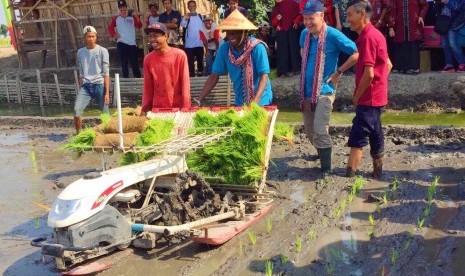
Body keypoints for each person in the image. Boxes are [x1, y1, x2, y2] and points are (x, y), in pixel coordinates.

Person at [299, 0, 359, 173]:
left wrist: (338, 72)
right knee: (310, 131)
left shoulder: (333, 35)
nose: (308, 22)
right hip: (306, 90)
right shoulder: (304, 34)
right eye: (305, 18)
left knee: (320, 128)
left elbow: (355, 53)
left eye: (311, 18)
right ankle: (320, 152)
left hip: (325, 90)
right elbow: (302, 50)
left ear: (322, 16)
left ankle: (326, 169)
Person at [345, 0, 392, 178]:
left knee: (358, 134)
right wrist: (380, 87)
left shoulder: (367, 37)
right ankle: (378, 171)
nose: (348, 19)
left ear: (362, 14)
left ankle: (350, 174)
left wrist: (357, 95)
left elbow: (369, 74)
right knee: (375, 132)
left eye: (350, 15)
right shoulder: (376, 34)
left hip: (369, 98)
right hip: (377, 96)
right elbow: (388, 65)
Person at [197, 10, 272, 106]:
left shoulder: (257, 47)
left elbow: (264, 76)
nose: (231, 36)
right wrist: (199, 100)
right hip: (240, 101)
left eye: (234, 33)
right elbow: (214, 76)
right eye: (228, 33)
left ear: (244, 32)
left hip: (261, 100)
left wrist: (255, 103)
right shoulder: (224, 49)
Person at [141, 23, 190, 116]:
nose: (152, 39)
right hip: (157, 109)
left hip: (177, 109)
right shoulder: (148, 59)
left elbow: (185, 84)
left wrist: (186, 107)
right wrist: (145, 108)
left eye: (156, 36)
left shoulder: (179, 55)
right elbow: (148, 87)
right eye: (150, 36)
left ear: (166, 36)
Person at [74, 26, 110, 133]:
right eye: (88, 37)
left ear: (96, 37)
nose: (91, 39)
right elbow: (81, 72)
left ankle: (108, 132)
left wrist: (107, 92)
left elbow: (106, 73)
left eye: (93, 36)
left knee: (105, 113)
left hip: (99, 85)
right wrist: (80, 88)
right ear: (84, 38)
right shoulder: (80, 52)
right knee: (77, 110)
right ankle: (78, 134)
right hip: (86, 86)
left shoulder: (102, 51)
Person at [388, 0, 428, 74]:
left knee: (413, 44)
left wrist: (421, 16)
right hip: (400, 24)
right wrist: (391, 26)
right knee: (400, 44)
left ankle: (414, 67)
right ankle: (401, 67)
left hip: (414, 23)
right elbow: (393, 10)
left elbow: (425, 5)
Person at [108, 0, 142, 78]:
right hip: (121, 43)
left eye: (124, 9)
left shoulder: (132, 17)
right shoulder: (116, 18)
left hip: (132, 44)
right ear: (119, 9)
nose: (123, 11)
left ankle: (137, 80)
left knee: (134, 63)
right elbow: (110, 27)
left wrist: (136, 16)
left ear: (126, 8)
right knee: (124, 64)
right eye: (121, 9)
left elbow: (139, 25)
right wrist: (114, 35)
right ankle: (126, 80)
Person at [271, 0, 301, 77]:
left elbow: (300, 14)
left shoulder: (292, 3)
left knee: (293, 48)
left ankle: (296, 69)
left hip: (292, 28)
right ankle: (283, 71)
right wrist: (277, 19)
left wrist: (296, 21)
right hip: (281, 31)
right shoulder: (275, 8)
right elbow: (272, 23)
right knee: (282, 51)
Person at [439, 0, 465, 72]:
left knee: (453, 43)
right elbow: (438, 10)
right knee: (445, 44)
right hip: (444, 23)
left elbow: (457, 8)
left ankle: (462, 63)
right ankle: (449, 65)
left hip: (454, 23)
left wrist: (446, 2)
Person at [180, 0, 204, 76]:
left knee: (200, 61)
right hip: (189, 44)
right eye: (190, 6)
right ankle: (191, 77)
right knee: (190, 63)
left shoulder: (200, 17)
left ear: (196, 6)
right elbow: (182, 25)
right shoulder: (186, 17)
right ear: (188, 7)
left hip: (199, 43)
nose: (192, 7)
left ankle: (200, 76)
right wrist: (185, 18)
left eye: (193, 6)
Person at [334, 0, 359, 69]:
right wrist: (338, 22)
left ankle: (354, 64)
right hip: (344, 23)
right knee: (345, 44)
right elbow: (336, 7)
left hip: (354, 21)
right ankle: (345, 66)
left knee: (355, 43)